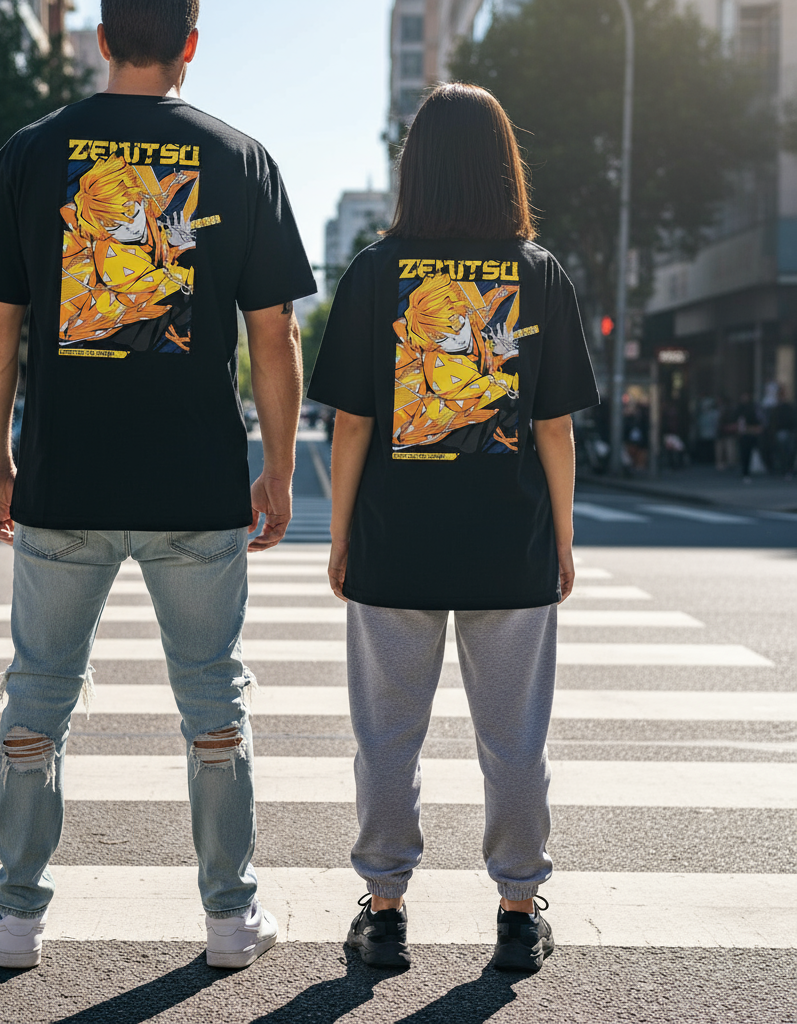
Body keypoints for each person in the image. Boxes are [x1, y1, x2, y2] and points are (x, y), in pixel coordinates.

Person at [0, 0, 315, 971]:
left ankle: (15, 919)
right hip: (196, 487)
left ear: (104, 38)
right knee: (213, 701)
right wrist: (277, 470)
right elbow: (273, 335)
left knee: (37, 696)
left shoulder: (31, 153)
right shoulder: (240, 159)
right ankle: (230, 919)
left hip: (63, 481)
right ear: (190, 44)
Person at [308, 83, 599, 973]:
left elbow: (350, 425)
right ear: (504, 167)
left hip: (395, 544)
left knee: (386, 737)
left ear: (416, 168)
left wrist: (342, 535)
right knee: (514, 740)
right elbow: (554, 427)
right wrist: (562, 538)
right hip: (509, 548)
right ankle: (517, 910)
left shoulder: (372, 272)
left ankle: (384, 910)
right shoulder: (539, 272)